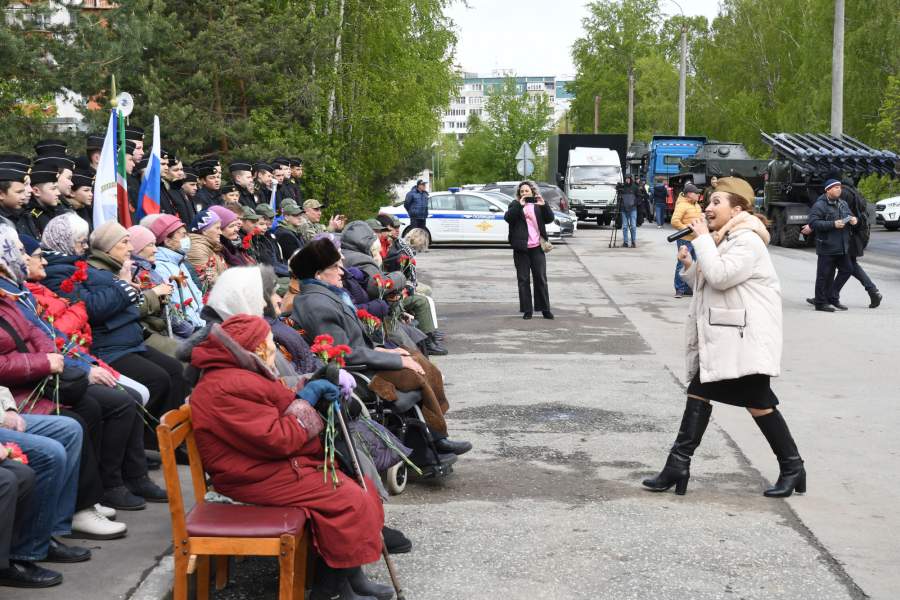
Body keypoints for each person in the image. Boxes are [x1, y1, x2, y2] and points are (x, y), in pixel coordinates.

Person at [188, 314, 393, 600]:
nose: (273, 346)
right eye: (269, 341)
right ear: (257, 347)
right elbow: (277, 439)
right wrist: (307, 398)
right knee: (349, 500)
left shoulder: (240, 373)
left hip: (265, 466)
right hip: (251, 475)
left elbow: (277, 401)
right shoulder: (225, 386)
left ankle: (351, 579)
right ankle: (329, 590)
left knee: (359, 485)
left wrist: (313, 383)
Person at [643, 177, 805, 498]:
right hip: (728, 337)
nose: (708, 207)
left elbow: (721, 277)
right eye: (709, 201)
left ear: (739, 208)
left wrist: (702, 240)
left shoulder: (748, 240)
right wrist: (691, 266)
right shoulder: (726, 237)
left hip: (745, 339)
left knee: (759, 404)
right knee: (699, 392)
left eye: (717, 202)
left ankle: (793, 467)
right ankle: (678, 465)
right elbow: (710, 283)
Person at [290, 239, 471, 456]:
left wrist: (385, 350)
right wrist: (396, 360)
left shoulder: (328, 297)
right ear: (318, 274)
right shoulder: (317, 304)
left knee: (417, 357)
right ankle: (433, 441)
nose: (342, 272)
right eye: (335, 267)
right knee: (414, 372)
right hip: (355, 373)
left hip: (364, 361)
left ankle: (435, 435)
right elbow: (343, 353)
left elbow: (356, 343)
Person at [504, 181, 554, 320]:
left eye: (527, 191)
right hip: (521, 249)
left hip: (537, 247)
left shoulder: (538, 204)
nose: (524, 193)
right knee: (523, 279)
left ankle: (545, 309)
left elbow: (550, 219)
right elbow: (508, 218)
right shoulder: (515, 205)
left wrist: (544, 205)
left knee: (541, 278)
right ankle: (527, 310)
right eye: (522, 191)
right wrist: (519, 206)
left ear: (532, 191)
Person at [806, 179, 854, 312]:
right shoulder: (819, 205)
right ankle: (820, 303)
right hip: (826, 246)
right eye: (836, 187)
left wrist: (853, 219)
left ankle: (832, 297)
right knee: (824, 275)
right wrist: (833, 224)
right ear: (828, 190)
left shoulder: (843, 203)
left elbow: (849, 216)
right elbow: (813, 223)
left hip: (842, 246)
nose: (839, 189)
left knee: (847, 269)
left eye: (840, 187)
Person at [832, 180, 882, 308]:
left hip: (847, 236)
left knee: (843, 266)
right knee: (850, 265)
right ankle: (873, 291)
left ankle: (829, 295)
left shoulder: (844, 194)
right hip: (856, 235)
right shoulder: (856, 193)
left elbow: (843, 215)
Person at [670, 182, 703, 298]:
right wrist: (687, 229)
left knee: (692, 263)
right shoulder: (682, 205)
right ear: (689, 194)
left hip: (695, 239)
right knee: (681, 263)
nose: (698, 195)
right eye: (696, 193)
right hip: (685, 239)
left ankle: (689, 288)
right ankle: (679, 289)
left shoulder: (697, 205)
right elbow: (674, 221)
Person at [186, 209, 228, 291]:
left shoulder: (209, 246)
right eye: (217, 228)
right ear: (204, 231)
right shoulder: (197, 248)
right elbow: (210, 281)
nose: (220, 232)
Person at [619, 175, 639, 248]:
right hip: (624, 209)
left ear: (631, 179)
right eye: (626, 179)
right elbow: (619, 197)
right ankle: (625, 242)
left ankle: (633, 242)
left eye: (628, 179)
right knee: (624, 226)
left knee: (633, 226)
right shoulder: (623, 187)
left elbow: (639, 196)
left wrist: (634, 203)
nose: (627, 180)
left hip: (633, 209)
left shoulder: (635, 187)